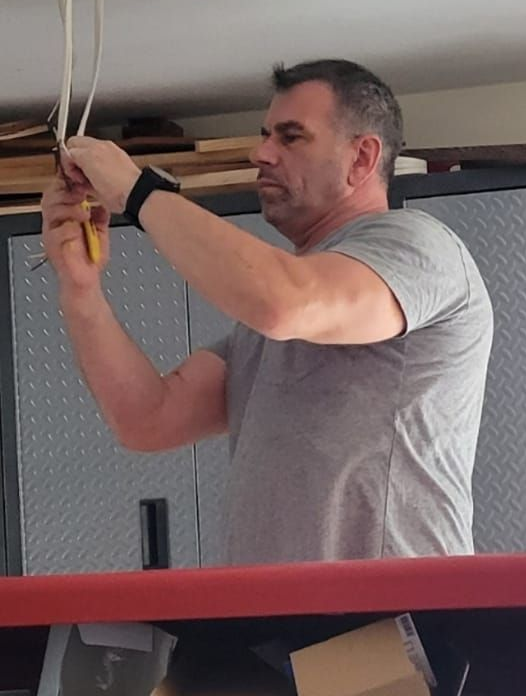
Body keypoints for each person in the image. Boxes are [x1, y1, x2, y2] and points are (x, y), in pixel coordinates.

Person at [41, 59, 493, 565]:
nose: (261, 153)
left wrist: (136, 191)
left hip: (392, 622)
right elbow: (148, 420)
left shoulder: (417, 247)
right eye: (264, 135)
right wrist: (80, 289)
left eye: (291, 137)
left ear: (362, 158)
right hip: (282, 627)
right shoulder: (272, 320)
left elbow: (282, 303)